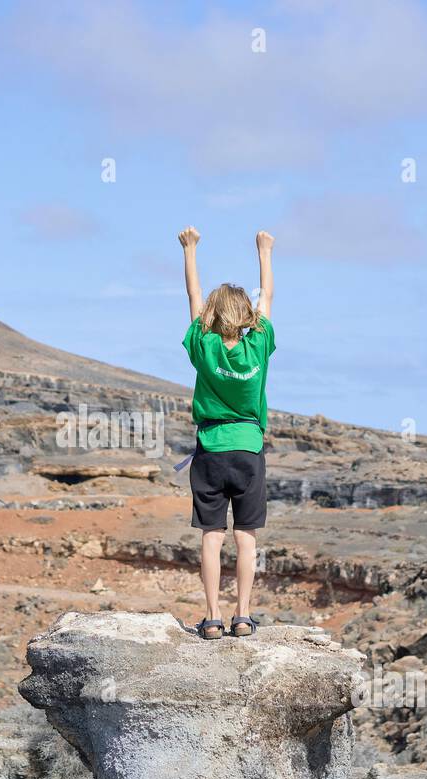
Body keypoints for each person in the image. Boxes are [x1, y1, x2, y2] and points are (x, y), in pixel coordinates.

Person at [178, 226, 275, 639]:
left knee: (212, 535)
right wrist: (264, 251)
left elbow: (193, 298)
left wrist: (191, 249)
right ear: (248, 316)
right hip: (248, 448)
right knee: (246, 537)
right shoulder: (259, 345)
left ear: (212, 317)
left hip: (210, 449)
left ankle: (213, 617)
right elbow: (266, 297)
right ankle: (243, 616)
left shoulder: (204, 344)